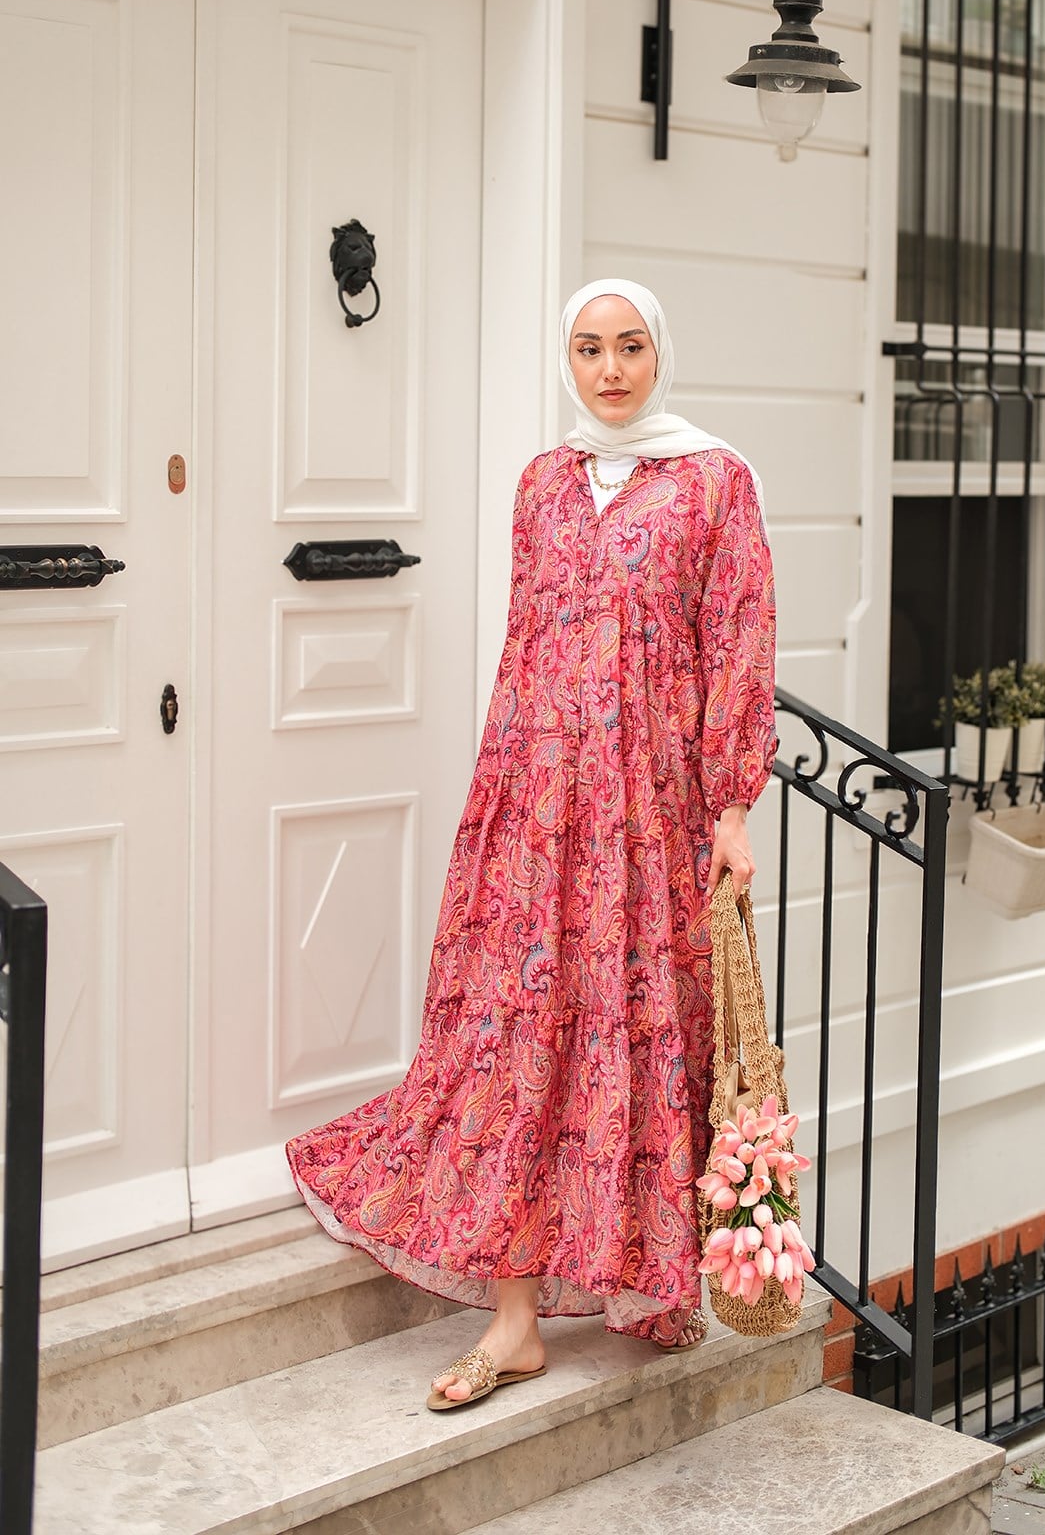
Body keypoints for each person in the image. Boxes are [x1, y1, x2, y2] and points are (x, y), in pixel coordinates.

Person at [286, 279, 779, 1410]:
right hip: (539, 801)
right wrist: (503, 790)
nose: (611, 371)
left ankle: (651, 1280)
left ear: (660, 352)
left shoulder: (714, 482)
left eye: (631, 347)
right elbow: (525, 642)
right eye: (590, 349)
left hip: (651, 810)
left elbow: (740, 642)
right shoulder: (543, 484)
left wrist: (731, 806)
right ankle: (513, 1324)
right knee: (521, 1033)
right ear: (569, 360)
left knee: (640, 1028)